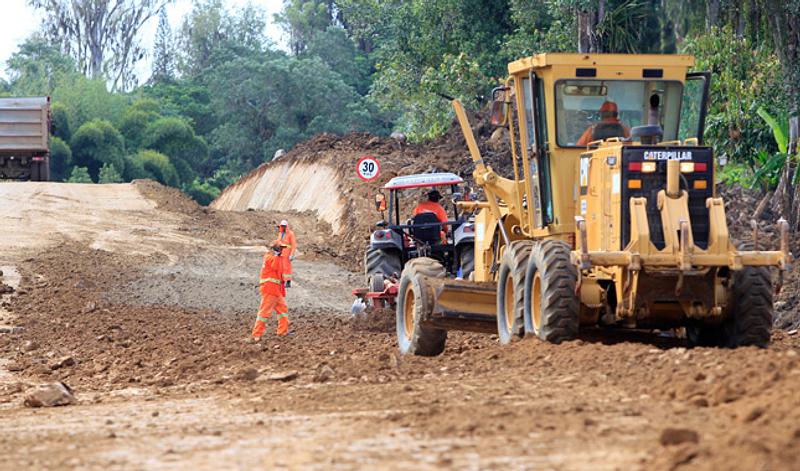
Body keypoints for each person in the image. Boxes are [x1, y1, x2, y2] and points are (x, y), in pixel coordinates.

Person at [251, 243, 290, 341]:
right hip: (270, 289)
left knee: (283, 309)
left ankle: (282, 331)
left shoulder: (274, 257)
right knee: (265, 311)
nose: (282, 250)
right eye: (280, 248)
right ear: (275, 249)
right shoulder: (270, 257)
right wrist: (277, 256)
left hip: (275, 290)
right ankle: (256, 334)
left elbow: (279, 272)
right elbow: (275, 267)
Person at [273, 220, 297, 288]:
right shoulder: (280, 233)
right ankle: (282, 281)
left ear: (286, 226)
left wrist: (292, 254)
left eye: (284, 226)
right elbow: (278, 241)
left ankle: (288, 282)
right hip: (281, 253)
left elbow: (293, 245)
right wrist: (276, 249)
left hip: (287, 254)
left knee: (287, 268)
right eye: (281, 226)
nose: (282, 227)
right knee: (280, 267)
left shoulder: (290, 234)